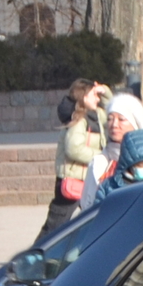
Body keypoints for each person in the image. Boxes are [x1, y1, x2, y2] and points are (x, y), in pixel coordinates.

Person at [46, 79, 107, 236]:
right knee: (55, 226)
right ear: (84, 97)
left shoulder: (96, 115)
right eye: (94, 95)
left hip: (86, 178)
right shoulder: (79, 119)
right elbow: (73, 148)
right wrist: (101, 156)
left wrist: (104, 91)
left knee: (93, 221)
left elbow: (111, 109)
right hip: (72, 179)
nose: (98, 99)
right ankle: (34, 257)